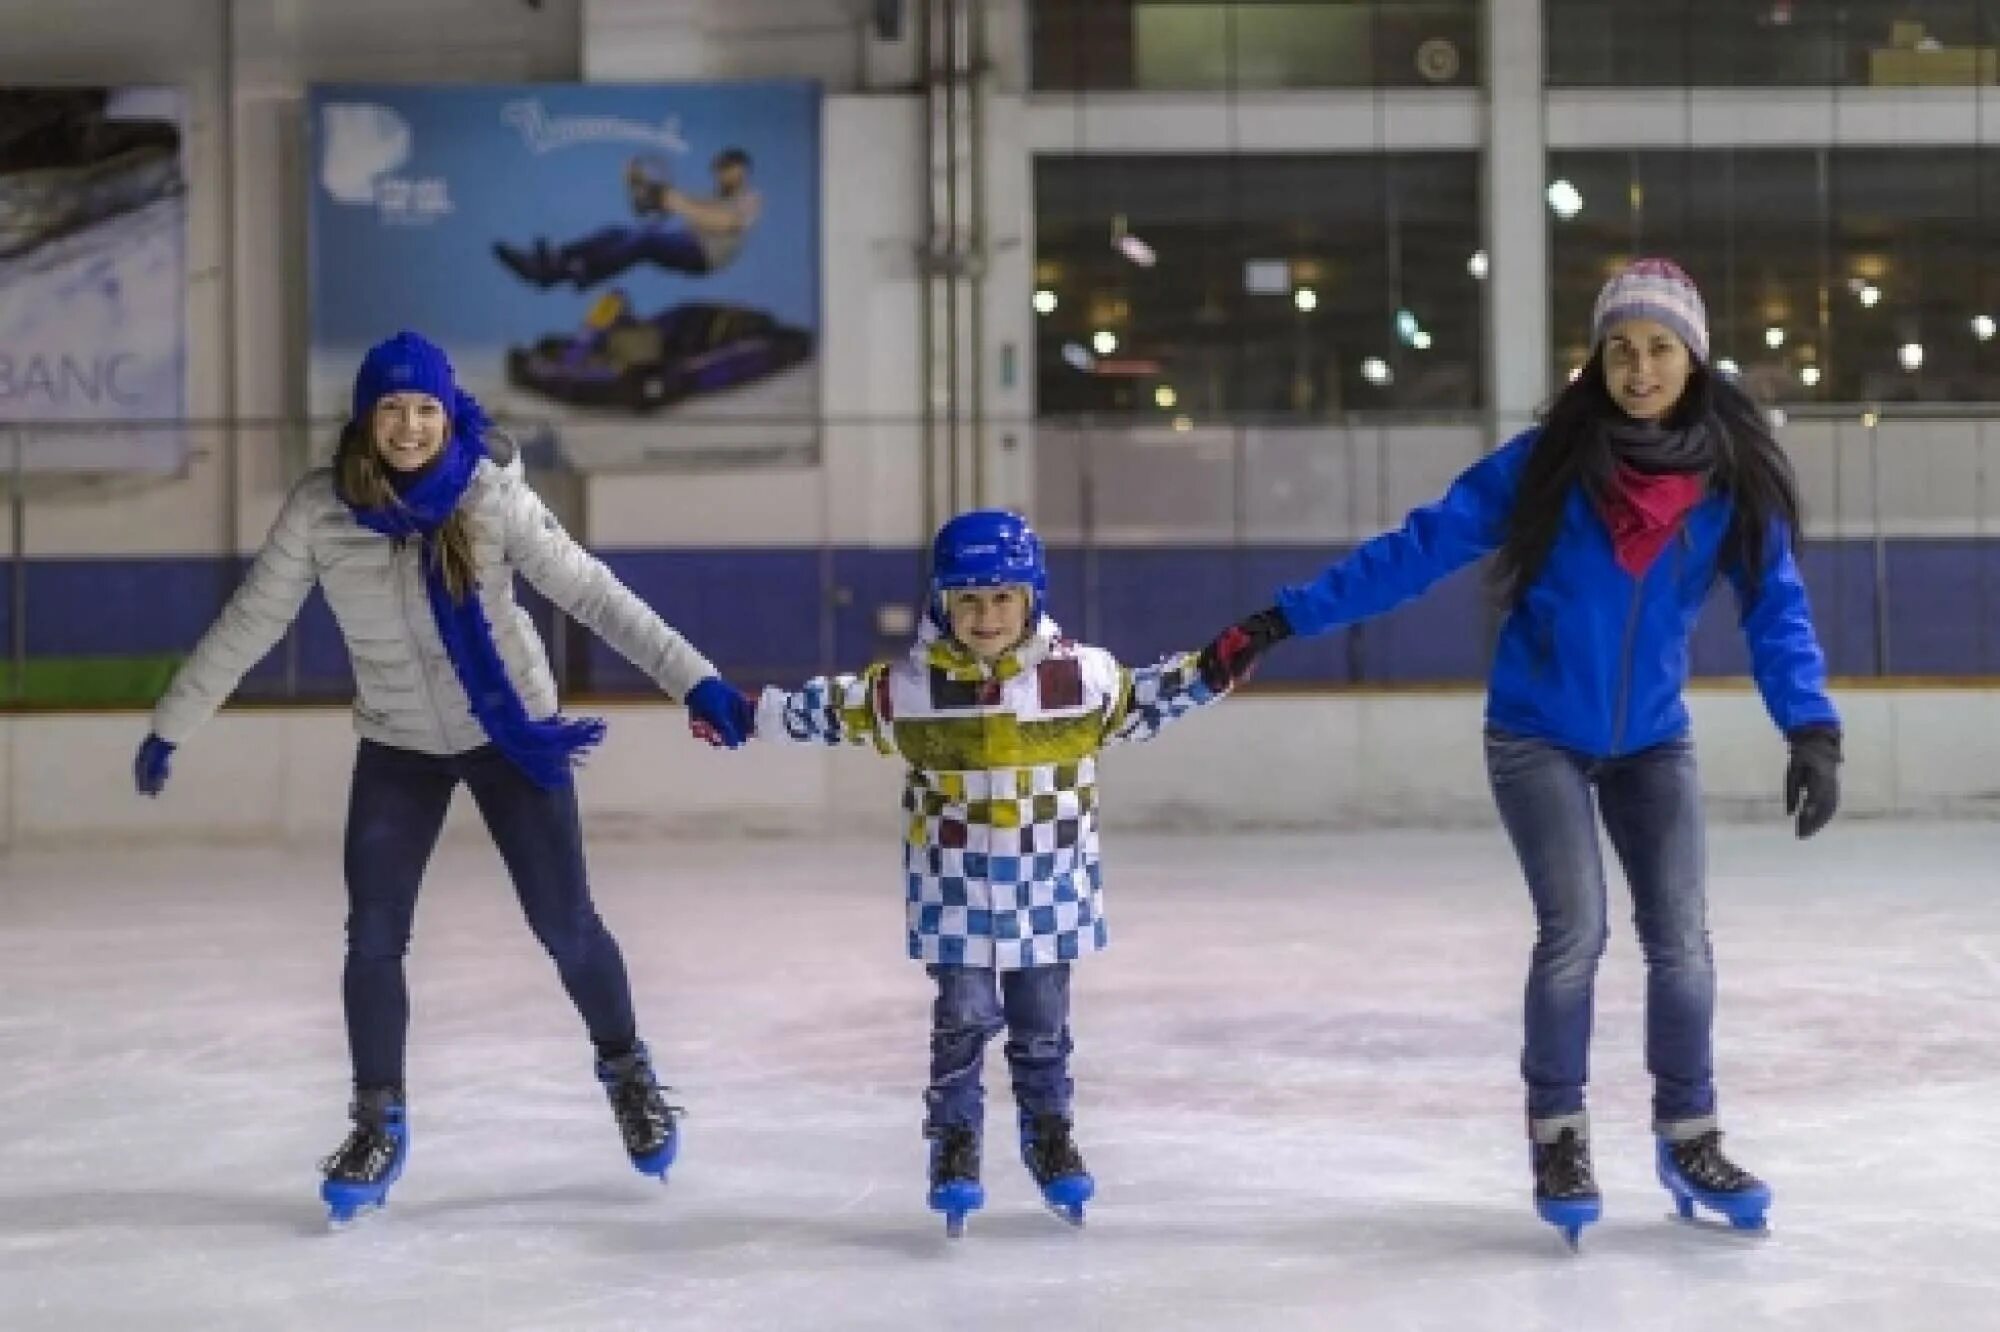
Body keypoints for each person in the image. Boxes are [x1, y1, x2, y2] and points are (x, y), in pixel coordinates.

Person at [1199, 259, 1842, 1245]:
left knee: (1680, 942)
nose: (1637, 369)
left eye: (1658, 349)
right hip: (1536, 733)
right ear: (1595, 360)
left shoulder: (1729, 485)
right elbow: (1413, 550)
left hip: (1650, 743)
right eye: (1619, 349)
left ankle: (1688, 1132)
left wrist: (1809, 728)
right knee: (1573, 935)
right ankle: (1557, 1130)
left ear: (1692, 360)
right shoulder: (1544, 465)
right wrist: (1280, 619)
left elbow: (1775, 613)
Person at [132, 330, 758, 1224]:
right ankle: (377, 1119)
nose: (410, 425)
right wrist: (174, 723)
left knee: (566, 926)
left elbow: (591, 591)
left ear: (447, 412)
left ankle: (628, 1073)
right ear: (365, 418)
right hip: (398, 744)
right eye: (392, 408)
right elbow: (250, 621)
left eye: (425, 407)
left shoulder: (489, 495)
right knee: (372, 936)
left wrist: (692, 677)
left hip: (511, 737)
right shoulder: (321, 511)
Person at [713, 509, 1233, 1237]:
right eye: (968, 600)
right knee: (960, 1023)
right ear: (941, 603)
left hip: (1049, 890)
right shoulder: (908, 689)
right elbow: (825, 709)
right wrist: (747, 714)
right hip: (954, 892)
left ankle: (1048, 1136)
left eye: (1001, 598)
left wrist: (1217, 666)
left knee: (1043, 1029)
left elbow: (1149, 697)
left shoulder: (1082, 677)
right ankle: (954, 1144)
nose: (985, 617)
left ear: (1032, 600)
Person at [494, 148, 762, 290]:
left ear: (742, 170)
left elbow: (726, 223)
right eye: (718, 169)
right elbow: (653, 204)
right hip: (685, 242)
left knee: (645, 240)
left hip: (704, 257)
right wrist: (637, 181)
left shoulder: (750, 199)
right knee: (616, 232)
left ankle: (570, 272)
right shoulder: (709, 196)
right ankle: (551, 260)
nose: (720, 174)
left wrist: (678, 204)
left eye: (727, 168)